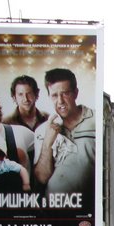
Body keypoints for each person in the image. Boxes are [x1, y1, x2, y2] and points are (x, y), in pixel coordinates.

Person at [33, 68, 96, 201]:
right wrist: (47, 142)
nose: (60, 101)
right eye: (54, 95)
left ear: (75, 93)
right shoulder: (43, 130)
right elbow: (42, 178)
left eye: (65, 93)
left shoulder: (96, 121)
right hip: (55, 214)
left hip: (87, 214)